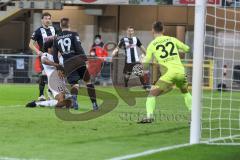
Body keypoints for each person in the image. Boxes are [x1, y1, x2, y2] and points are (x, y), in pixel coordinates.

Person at [139, 21, 192, 123]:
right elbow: (187, 49)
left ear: (152, 31)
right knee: (185, 93)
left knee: (152, 94)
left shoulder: (152, 44)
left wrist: (141, 63)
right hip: (180, 71)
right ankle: (193, 116)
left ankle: (149, 116)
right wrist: (177, 51)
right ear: (163, 30)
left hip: (168, 74)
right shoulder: (172, 39)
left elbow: (146, 62)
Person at [53, 18, 99, 111]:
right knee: (88, 82)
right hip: (78, 60)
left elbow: (55, 55)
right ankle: (94, 104)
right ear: (69, 25)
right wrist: (85, 60)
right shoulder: (74, 34)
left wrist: (58, 68)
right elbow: (79, 48)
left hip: (68, 63)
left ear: (61, 26)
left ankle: (75, 100)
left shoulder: (56, 38)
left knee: (74, 85)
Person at [26, 40, 71, 108]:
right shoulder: (45, 55)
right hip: (54, 81)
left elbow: (65, 69)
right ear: (49, 49)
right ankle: (39, 103)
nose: (56, 48)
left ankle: (38, 103)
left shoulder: (59, 56)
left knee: (70, 104)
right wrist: (57, 65)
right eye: (54, 47)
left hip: (62, 82)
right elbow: (44, 61)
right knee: (62, 102)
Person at [29, 12, 56, 101]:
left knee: (54, 75)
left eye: (49, 18)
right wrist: (38, 51)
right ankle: (41, 95)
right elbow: (30, 44)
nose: (48, 20)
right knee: (44, 74)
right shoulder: (38, 31)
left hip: (54, 56)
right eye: (46, 18)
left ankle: (50, 92)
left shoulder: (54, 29)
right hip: (44, 56)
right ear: (42, 20)